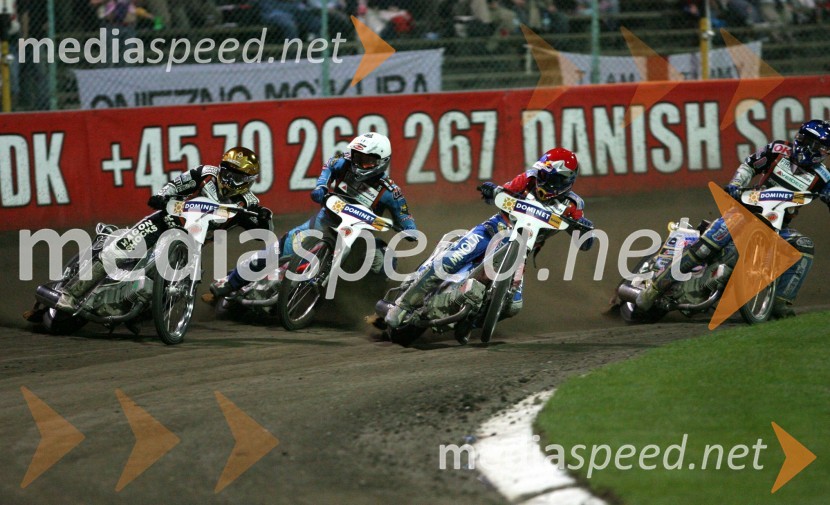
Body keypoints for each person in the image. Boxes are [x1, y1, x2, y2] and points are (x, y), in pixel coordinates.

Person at [636, 119, 830, 317]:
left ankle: (781, 303)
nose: (823, 154)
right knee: (705, 247)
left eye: (826, 150)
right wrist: (736, 184)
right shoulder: (777, 150)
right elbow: (750, 165)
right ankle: (655, 288)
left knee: (804, 245)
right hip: (744, 212)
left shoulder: (824, 178)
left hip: (778, 227)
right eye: (822, 148)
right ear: (808, 143)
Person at [384, 147, 595, 329]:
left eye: (550, 178)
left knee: (513, 305)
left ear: (565, 180)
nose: (543, 180)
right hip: (492, 230)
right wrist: (491, 190)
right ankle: (403, 305)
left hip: (520, 251)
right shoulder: (528, 179)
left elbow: (586, 243)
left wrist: (585, 231)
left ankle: (472, 322)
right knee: (450, 260)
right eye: (542, 174)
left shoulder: (572, 206)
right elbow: (502, 192)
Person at [56, 147, 273, 312]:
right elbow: (175, 185)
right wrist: (161, 196)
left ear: (248, 181)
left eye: (236, 177)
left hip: (191, 245)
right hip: (163, 222)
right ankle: (69, 294)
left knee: (179, 283)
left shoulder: (249, 204)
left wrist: (264, 220)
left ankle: (143, 308)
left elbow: (265, 233)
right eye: (227, 172)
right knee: (118, 251)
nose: (229, 179)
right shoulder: (205, 173)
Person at [210, 132, 417, 297]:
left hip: (359, 239)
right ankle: (230, 281)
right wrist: (321, 186)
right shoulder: (344, 163)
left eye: (367, 160)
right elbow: (329, 165)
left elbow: (405, 216)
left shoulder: (390, 191)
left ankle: (372, 304)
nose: (359, 163)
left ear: (382, 161)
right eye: (357, 157)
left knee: (384, 261)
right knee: (276, 250)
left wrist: (410, 230)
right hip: (322, 224)